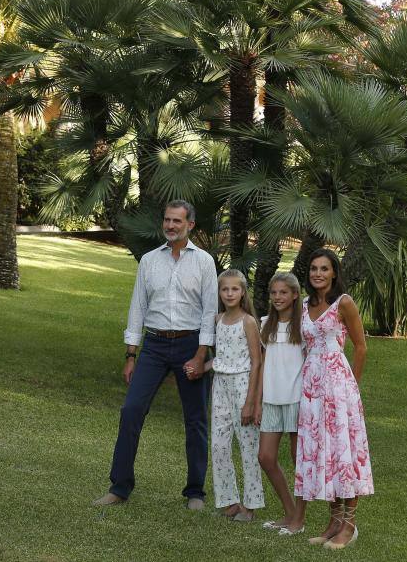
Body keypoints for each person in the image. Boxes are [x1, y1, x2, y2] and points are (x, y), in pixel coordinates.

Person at [93, 200, 217, 511]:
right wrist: (131, 354)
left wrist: (201, 355)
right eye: (167, 220)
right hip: (154, 346)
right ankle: (119, 487)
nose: (171, 226)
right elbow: (138, 307)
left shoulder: (204, 262)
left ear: (190, 225)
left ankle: (195, 492)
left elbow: (210, 312)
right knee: (131, 410)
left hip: (191, 345)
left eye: (177, 221)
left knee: (196, 419)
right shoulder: (149, 260)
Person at [285, 248, 374, 549]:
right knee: (323, 452)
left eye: (324, 268)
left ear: (334, 272)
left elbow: (361, 347)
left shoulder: (343, 303)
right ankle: (333, 522)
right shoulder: (306, 304)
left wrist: (352, 387)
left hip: (338, 386)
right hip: (311, 386)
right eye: (313, 268)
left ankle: (349, 525)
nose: (318, 273)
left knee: (343, 451)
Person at [188, 269, 264, 521]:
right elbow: (222, 358)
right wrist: (200, 367)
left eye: (234, 289)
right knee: (219, 445)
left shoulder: (248, 322)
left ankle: (250, 505)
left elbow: (256, 362)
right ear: (219, 293)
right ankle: (229, 500)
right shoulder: (218, 320)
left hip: (243, 386)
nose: (229, 293)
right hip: (219, 385)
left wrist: (251, 402)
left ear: (243, 292)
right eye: (224, 289)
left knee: (247, 446)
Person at [255, 273, 306, 534]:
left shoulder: (304, 325)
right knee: (265, 457)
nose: (277, 297)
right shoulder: (265, 325)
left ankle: (298, 519)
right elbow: (263, 365)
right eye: (273, 293)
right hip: (272, 400)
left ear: (295, 295)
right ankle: (289, 512)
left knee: (299, 459)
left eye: (283, 293)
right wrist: (258, 401)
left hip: (298, 399)